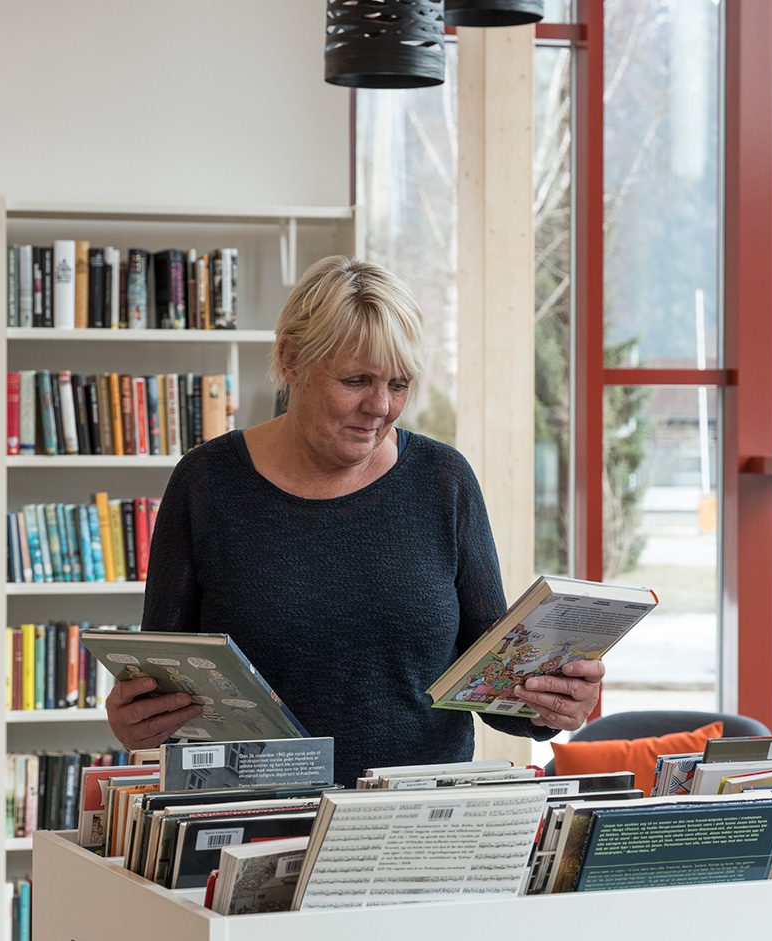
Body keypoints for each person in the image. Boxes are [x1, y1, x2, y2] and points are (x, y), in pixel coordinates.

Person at [105, 255, 604, 784]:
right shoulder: (206, 482)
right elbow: (163, 687)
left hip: (419, 814)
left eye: (399, 384)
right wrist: (138, 719)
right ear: (290, 359)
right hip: (258, 811)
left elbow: (493, 685)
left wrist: (553, 703)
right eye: (356, 380)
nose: (381, 406)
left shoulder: (444, 480)